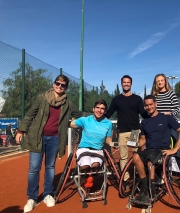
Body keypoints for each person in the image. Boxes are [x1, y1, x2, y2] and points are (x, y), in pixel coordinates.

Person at [15, 74, 81, 213]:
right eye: (58, 83)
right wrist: (21, 130)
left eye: (63, 85)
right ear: (53, 84)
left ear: (66, 88)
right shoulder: (42, 98)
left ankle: (47, 194)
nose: (59, 87)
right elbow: (30, 114)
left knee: (50, 167)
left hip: (55, 138)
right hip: (37, 137)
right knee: (34, 168)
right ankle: (32, 197)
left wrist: (96, 115)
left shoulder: (68, 103)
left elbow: (79, 114)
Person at [133, 95, 180, 202]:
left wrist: (175, 149)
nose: (149, 107)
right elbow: (143, 140)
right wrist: (136, 143)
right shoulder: (144, 122)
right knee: (135, 156)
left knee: (150, 161)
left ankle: (151, 189)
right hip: (149, 150)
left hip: (161, 150)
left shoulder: (166, 118)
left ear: (156, 104)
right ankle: (144, 187)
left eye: (151, 104)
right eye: (146, 105)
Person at [105, 75, 149, 180]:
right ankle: (125, 179)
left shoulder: (137, 99)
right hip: (122, 132)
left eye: (128, 82)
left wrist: (153, 116)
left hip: (134, 131)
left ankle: (139, 176)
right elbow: (109, 113)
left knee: (136, 155)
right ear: (121, 84)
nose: (126, 84)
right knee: (123, 157)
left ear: (131, 84)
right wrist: (97, 118)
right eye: (124, 82)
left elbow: (143, 113)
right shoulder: (116, 99)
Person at [151, 73, 180, 191]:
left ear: (165, 81)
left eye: (162, 80)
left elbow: (177, 109)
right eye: (158, 81)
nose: (160, 82)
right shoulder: (154, 95)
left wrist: (169, 113)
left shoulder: (171, 93)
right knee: (160, 151)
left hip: (171, 126)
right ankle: (163, 176)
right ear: (156, 83)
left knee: (176, 152)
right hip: (159, 127)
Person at [70, 99, 112, 174]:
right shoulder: (85, 120)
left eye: (102, 109)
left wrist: (114, 143)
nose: (99, 110)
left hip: (98, 150)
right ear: (93, 109)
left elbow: (108, 139)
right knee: (85, 167)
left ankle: (90, 180)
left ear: (105, 111)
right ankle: (86, 181)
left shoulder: (108, 123)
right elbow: (70, 124)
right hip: (83, 149)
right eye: (97, 107)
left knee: (95, 167)